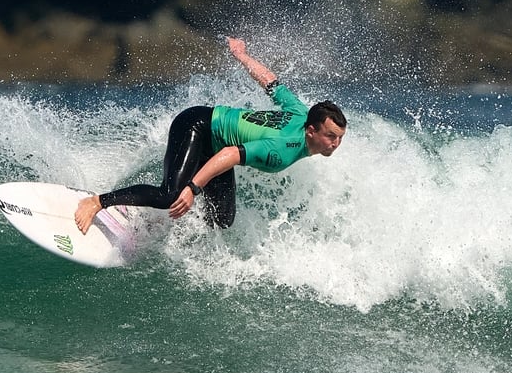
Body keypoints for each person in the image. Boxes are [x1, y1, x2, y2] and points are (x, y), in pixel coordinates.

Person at [74, 37, 347, 233]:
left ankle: (156, 218)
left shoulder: (302, 112)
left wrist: (241, 55)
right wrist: (193, 189)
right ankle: (98, 201)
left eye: (339, 138)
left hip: (216, 141)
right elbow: (229, 155)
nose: (335, 144)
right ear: (311, 130)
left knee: (222, 219)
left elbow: (270, 81)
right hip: (196, 126)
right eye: (331, 136)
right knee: (172, 193)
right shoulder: (281, 151)